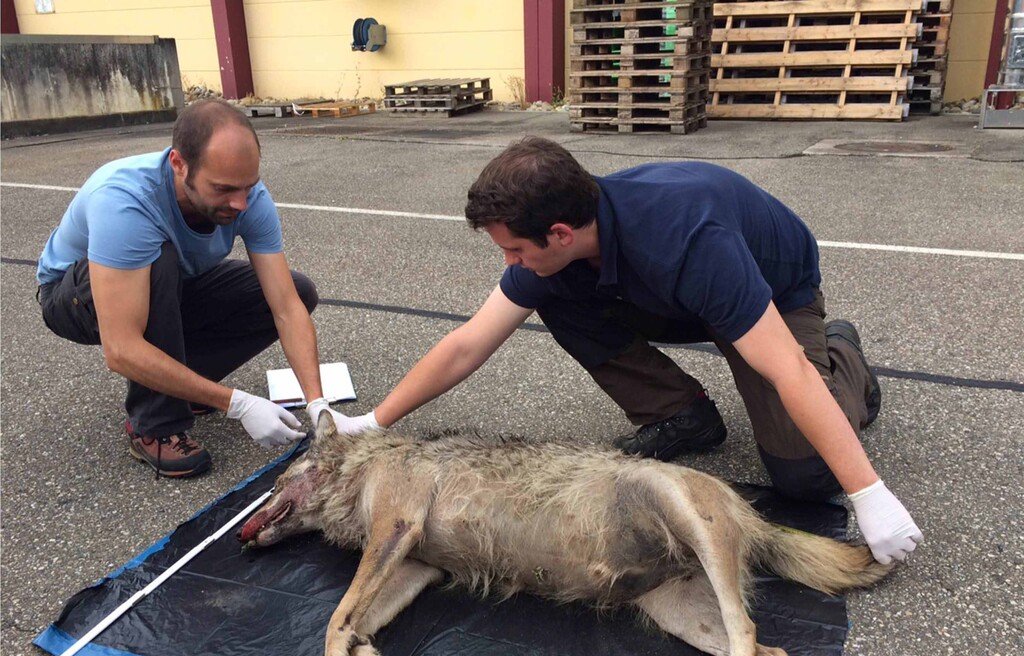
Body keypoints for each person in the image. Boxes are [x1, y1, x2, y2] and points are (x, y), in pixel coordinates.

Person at [333, 136, 922, 565]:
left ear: (560, 233)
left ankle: (844, 355)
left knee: (806, 474)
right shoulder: (565, 238)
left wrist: (869, 495)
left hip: (772, 294)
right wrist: (374, 421)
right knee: (554, 296)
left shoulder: (688, 240)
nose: (509, 262)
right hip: (675, 293)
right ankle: (681, 413)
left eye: (514, 250)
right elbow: (467, 344)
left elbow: (787, 367)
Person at [36, 99, 349, 478]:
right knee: (159, 258)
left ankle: (185, 386)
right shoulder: (126, 201)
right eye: (223, 188)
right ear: (179, 164)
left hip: (169, 285)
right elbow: (120, 349)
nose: (240, 202)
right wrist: (236, 403)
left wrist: (318, 405)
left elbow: (285, 305)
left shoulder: (249, 198)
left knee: (299, 290)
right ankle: (154, 425)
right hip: (74, 298)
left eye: (248, 186)